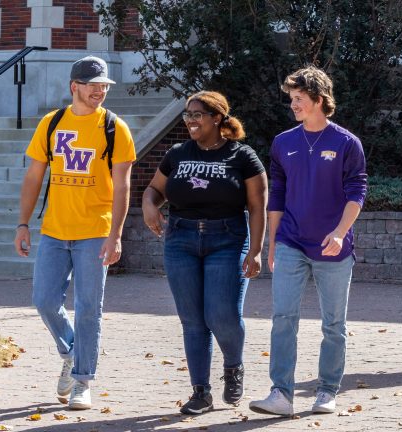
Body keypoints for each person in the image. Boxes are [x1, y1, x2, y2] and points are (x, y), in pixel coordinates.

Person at [13, 56, 136, 409]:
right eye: (93, 85)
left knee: (88, 308)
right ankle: (70, 352)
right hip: (54, 230)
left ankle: (83, 380)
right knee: (44, 301)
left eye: (104, 86)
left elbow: (123, 187)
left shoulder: (115, 128)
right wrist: (23, 224)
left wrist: (115, 234)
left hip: (95, 231)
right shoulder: (51, 123)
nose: (100, 91)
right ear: (74, 86)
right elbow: (34, 177)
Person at [249, 66, 367, 416]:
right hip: (291, 242)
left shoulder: (347, 143)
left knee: (334, 325)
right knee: (283, 317)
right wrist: (272, 243)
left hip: (333, 247)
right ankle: (281, 394)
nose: (294, 105)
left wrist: (340, 232)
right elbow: (278, 194)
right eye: (292, 99)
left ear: (319, 99)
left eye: (299, 98)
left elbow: (357, 191)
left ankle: (327, 390)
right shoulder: (283, 142)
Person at [141, 91, 267, 414]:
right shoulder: (177, 153)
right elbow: (154, 190)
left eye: (197, 115)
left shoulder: (242, 156)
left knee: (222, 314)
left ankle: (233, 366)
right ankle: (201, 392)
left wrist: (255, 251)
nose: (191, 121)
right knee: (192, 319)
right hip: (180, 240)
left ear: (217, 118)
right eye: (187, 115)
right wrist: (149, 205)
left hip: (227, 240)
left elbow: (257, 206)